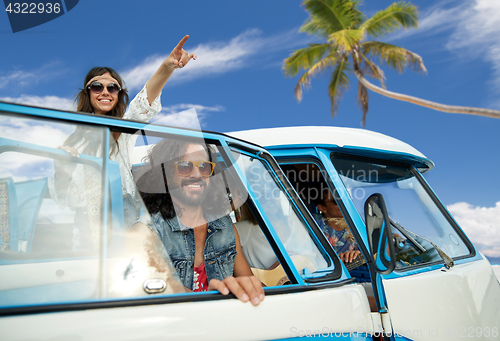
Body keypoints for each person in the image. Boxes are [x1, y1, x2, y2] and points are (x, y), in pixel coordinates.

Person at [48, 36, 196, 250]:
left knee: (125, 274)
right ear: (87, 93)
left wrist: (166, 67)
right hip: (85, 219)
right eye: (97, 86)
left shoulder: (123, 129)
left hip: (122, 211)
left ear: (118, 94)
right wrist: (61, 168)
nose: (105, 92)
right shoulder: (74, 140)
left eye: (113, 87)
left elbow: (144, 102)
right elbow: (65, 197)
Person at [130, 138, 265, 305]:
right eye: (185, 166)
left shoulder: (225, 227)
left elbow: (249, 282)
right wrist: (208, 298)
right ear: (165, 176)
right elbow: (152, 290)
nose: (196, 174)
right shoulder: (147, 233)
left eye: (204, 167)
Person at [314, 188, 361, 264]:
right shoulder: (314, 227)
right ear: (322, 208)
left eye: (343, 199)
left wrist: (357, 254)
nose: (342, 203)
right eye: (336, 201)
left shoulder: (356, 227)